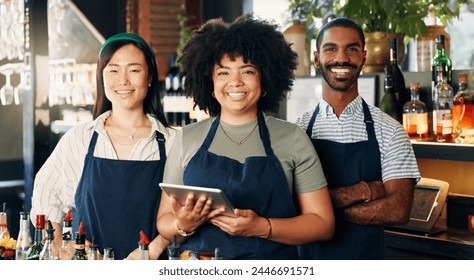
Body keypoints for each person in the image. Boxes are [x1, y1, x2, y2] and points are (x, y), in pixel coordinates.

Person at [157, 14, 334, 260]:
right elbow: (164, 222)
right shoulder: (187, 138)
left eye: (247, 71)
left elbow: (323, 224)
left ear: (265, 80)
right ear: (210, 81)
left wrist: (263, 227)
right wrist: (184, 223)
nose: (235, 82)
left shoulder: (292, 137)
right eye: (223, 73)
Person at [30, 33, 176, 260]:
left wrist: (154, 248)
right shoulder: (80, 138)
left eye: (134, 70)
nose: (123, 80)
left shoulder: (172, 142)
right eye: (113, 70)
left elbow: (186, 215)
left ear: (149, 77)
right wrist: (63, 243)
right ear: (102, 78)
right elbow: (45, 196)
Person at [296, 17, 421, 259]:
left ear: (363, 57)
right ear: (316, 59)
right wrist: (363, 191)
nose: (341, 58)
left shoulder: (391, 131)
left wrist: (320, 213)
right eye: (330, 48)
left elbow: (398, 210)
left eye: (351, 49)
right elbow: (288, 204)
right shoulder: (297, 130)